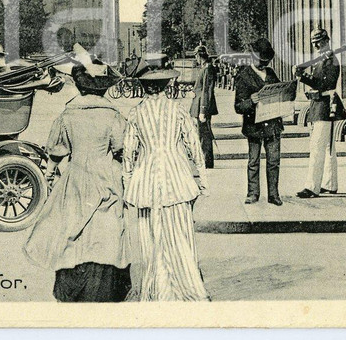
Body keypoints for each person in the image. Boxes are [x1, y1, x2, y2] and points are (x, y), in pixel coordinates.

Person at [23, 58, 131, 302]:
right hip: (106, 178)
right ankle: (104, 290)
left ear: (80, 87)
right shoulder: (113, 115)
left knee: (71, 232)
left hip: (75, 178)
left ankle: (74, 289)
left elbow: (56, 149)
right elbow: (122, 147)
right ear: (104, 88)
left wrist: (50, 173)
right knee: (105, 233)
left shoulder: (68, 114)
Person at [123, 64, 209, 301]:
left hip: (146, 177)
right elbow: (194, 145)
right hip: (176, 177)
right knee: (179, 233)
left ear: (143, 87)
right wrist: (202, 177)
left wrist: (128, 180)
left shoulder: (136, 113)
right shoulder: (177, 110)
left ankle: (157, 288)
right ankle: (184, 284)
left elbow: (129, 153)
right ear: (167, 85)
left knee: (152, 236)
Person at [234, 38, 283, 206]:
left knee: (274, 162)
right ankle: (253, 193)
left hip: (273, 124)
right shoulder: (244, 76)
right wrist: (250, 101)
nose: (263, 64)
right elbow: (238, 106)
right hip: (254, 125)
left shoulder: (271, 74)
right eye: (261, 61)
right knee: (253, 161)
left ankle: (274, 194)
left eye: (266, 61)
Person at [295, 27, 341, 198]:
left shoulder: (329, 59)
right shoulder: (323, 58)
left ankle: (312, 187)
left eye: (318, 41)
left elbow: (322, 84)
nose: (315, 45)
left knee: (317, 146)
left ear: (326, 40)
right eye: (314, 42)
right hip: (321, 104)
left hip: (324, 105)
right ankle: (330, 183)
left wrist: (303, 77)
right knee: (328, 147)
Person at [188, 45, 218, 168]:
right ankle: (205, 160)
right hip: (199, 103)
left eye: (196, 56)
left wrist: (203, 110)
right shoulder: (204, 68)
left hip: (202, 105)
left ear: (200, 55)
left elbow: (207, 90)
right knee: (202, 134)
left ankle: (206, 161)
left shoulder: (207, 68)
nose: (196, 59)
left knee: (204, 136)